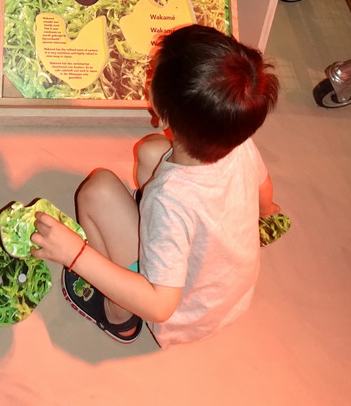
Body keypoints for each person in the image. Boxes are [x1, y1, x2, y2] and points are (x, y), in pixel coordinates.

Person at [31, 24, 281, 348]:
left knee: (98, 190)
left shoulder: (170, 202)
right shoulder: (241, 144)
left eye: (152, 72)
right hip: (225, 293)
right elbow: (264, 189)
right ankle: (143, 250)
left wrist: (74, 253)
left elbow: (160, 306)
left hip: (181, 312)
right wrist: (268, 210)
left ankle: (118, 314)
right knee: (151, 152)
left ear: (162, 115)